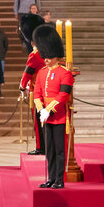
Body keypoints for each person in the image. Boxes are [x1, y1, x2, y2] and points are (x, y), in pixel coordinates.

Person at [33, 25, 74, 189]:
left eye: (49, 55)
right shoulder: (42, 72)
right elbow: (37, 93)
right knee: (49, 150)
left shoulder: (65, 73)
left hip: (58, 117)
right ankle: (50, 178)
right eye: (45, 55)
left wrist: (49, 109)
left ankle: (59, 179)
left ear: (56, 56)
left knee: (59, 150)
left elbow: (63, 95)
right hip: (45, 116)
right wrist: (41, 109)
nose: (46, 58)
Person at [19, 44, 46, 156]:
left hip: (37, 91)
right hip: (50, 90)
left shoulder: (35, 54)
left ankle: (41, 147)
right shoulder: (52, 53)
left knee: (38, 121)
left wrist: (22, 85)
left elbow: (28, 72)